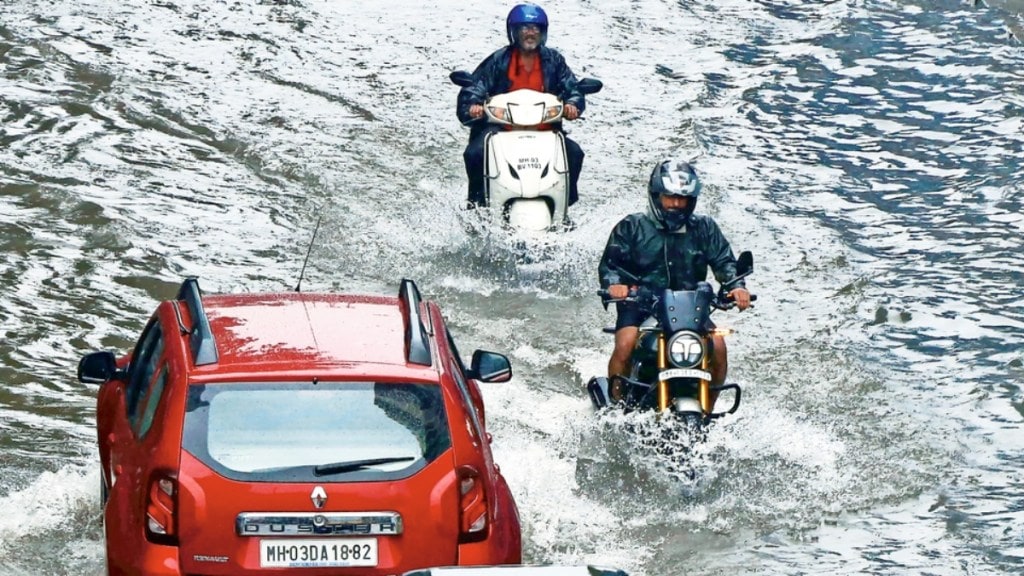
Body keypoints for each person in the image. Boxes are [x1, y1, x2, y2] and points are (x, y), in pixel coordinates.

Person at [598, 159, 752, 403]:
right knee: (626, 344)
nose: (677, 204)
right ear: (656, 196)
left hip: (691, 308)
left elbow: (725, 262)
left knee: (719, 347)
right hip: (639, 304)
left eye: (684, 199)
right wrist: (615, 285)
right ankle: (615, 405)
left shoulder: (705, 228)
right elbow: (611, 265)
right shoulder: (631, 226)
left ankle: (708, 408)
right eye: (670, 197)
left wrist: (736, 287)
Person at [456, 3, 588, 208]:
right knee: (474, 153)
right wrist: (473, 105)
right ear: (514, 31)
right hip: (501, 128)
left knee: (574, 152)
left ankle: (565, 204)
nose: (530, 33)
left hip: (545, 128)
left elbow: (572, 87)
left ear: (543, 32)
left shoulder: (554, 60)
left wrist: (573, 104)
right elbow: (476, 86)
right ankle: (477, 205)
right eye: (525, 28)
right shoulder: (498, 60)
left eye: (536, 28)